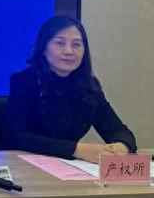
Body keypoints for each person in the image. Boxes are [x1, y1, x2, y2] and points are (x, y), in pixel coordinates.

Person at [8, 16, 136, 163]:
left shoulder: (89, 84)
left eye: (76, 44)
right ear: (43, 48)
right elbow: (18, 137)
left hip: (70, 168)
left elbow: (118, 130)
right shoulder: (24, 81)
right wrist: (76, 150)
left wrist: (121, 146)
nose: (69, 51)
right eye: (59, 43)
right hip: (28, 165)